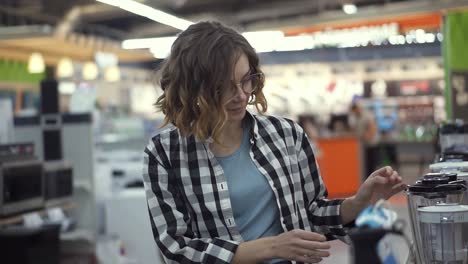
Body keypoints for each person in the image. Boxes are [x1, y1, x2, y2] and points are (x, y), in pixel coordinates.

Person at [143, 21, 406, 264]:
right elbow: (175, 247)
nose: (241, 95)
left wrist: (357, 203)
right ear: (192, 88)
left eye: (247, 80)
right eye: (222, 87)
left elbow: (312, 215)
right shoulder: (165, 154)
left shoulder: (286, 134)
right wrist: (271, 247)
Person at [349, 102, 380, 178]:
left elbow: (373, 129)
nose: (354, 113)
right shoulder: (357, 117)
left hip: (371, 144)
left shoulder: (367, 116)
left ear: (357, 109)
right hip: (364, 145)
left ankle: (373, 180)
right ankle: (368, 179)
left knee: (371, 164)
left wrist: (365, 136)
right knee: (366, 165)